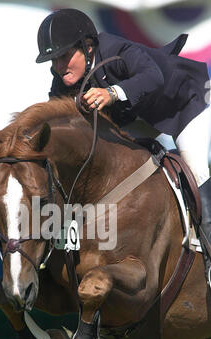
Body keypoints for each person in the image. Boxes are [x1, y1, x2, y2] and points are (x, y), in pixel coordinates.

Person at [36, 8, 211, 275]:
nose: (59, 67)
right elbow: (56, 118)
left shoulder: (115, 50)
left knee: (196, 173)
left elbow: (154, 77)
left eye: (64, 56)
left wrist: (112, 93)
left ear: (88, 46)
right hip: (140, 117)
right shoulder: (63, 79)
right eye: (53, 60)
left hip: (184, 103)